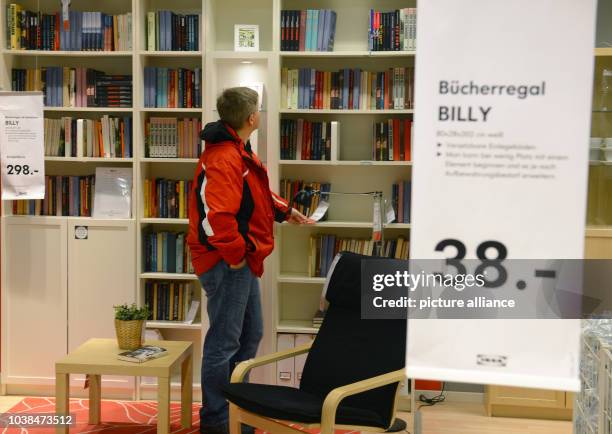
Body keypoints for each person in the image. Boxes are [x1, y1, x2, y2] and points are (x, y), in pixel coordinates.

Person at [187, 87, 314, 434]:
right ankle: (217, 421)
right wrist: (235, 257)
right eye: (258, 109)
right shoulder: (224, 157)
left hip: (241, 260)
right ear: (251, 118)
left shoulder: (238, 150)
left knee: (249, 334)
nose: (260, 114)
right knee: (224, 342)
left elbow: (256, 194)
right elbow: (217, 216)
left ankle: (234, 410)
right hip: (228, 262)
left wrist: (286, 212)